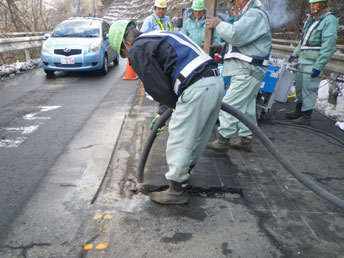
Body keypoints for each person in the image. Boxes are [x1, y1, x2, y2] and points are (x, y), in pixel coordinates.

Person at [109, 20, 224, 205]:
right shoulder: (158, 36)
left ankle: (176, 191)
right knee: (197, 136)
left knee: (179, 136)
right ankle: (183, 176)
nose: (128, 58)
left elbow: (158, 87)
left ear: (126, 43)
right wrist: (163, 112)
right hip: (215, 82)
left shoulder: (138, 48)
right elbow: (165, 76)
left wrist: (170, 110)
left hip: (196, 87)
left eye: (124, 53)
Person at [205, 0, 271, 152]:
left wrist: (218, 24)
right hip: (248, 70)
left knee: (229, 104)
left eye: (235, 2)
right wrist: (221, 47)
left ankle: (223, 140)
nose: (234, 5)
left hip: (248, 71)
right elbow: (245, 43)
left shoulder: (254, 14)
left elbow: (236, 35)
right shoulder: (250, 15)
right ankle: (246, 140)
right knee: (246, 108)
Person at [285, 0, 338, 126]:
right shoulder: (311, 19)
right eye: (311, 4)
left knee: (309, 89)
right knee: (299, 88)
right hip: (303, 60)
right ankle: (298, 111)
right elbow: (303, 41)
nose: (311, 6)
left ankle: (306, 116)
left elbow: (328, 46)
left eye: (314, 4)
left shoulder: (329, 20)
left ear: (323, 4)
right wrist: (295, 54)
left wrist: (318, 66)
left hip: (313, 62)